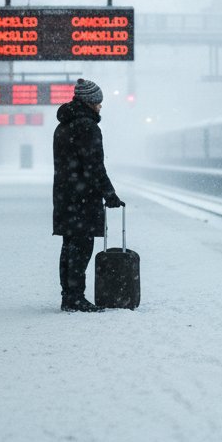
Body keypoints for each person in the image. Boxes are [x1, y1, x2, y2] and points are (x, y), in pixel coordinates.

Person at [52, 77, 125, 312]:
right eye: (98, 102)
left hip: (66, 195)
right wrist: (109, 193)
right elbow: (94, 164)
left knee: (69, 247)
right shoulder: (87, 126)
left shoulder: (63, 125)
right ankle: (76, 298)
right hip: (82, 197)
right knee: (81, 248)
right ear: (89, 102)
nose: (100, 106)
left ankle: (69, 296)